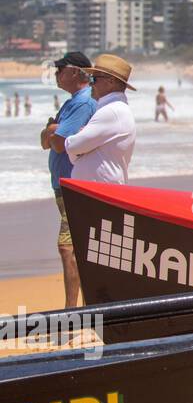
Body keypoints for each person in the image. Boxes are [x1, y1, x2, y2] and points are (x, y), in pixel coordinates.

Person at [40, 52, 96, 309]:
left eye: (60, 69)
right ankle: (80, 311)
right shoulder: (71, 102)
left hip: (72, 185)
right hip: (63, 185)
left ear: (75, 72)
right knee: (76, 249)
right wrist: (51, 132)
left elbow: (59, 144)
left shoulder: (82, 103)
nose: (55, 74)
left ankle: (73, 313)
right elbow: (45, 141)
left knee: (69, 250)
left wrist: (53, 130)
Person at [53, 54, 138, 189]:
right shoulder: (114, 109)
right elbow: (75, 155)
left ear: (110, 82)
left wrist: (75, 139)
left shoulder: (112, 111)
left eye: (94, 79)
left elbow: (72, 147)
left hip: (102, 192)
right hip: (99, 191)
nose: (90, 83)